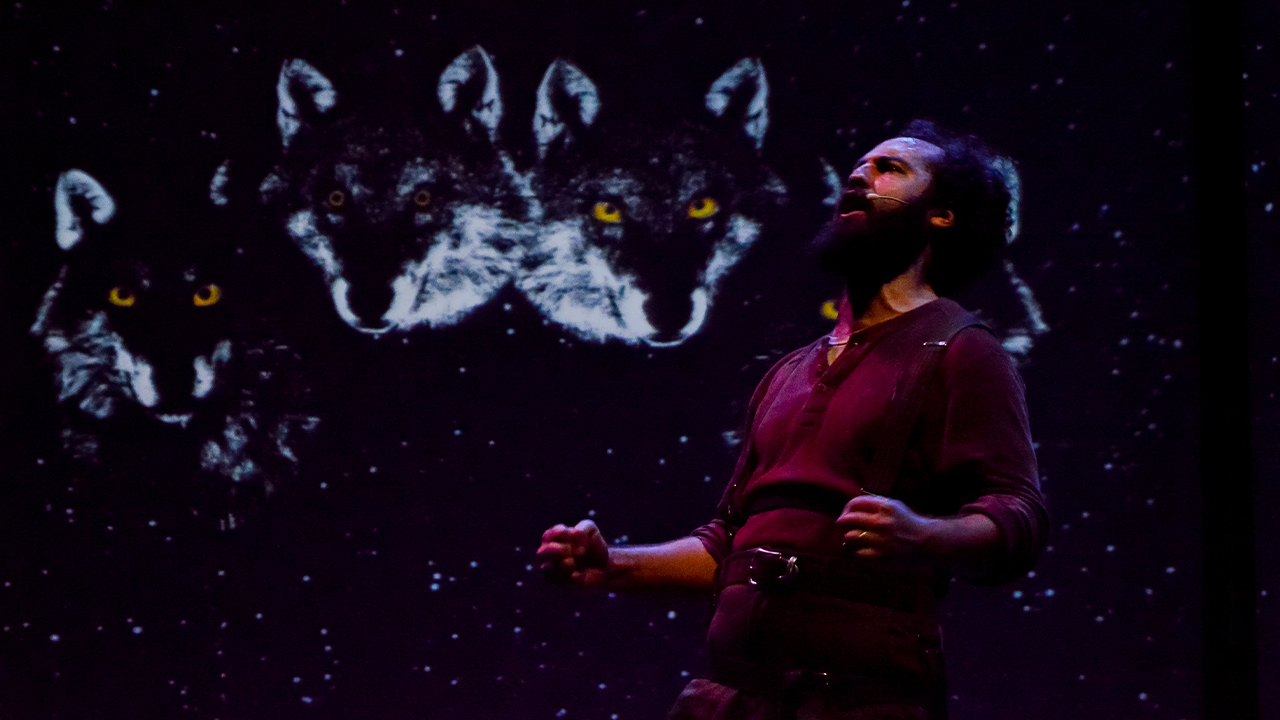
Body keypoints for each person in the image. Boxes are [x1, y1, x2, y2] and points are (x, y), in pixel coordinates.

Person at [536, 120, 1049, 720]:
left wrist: (924, 535)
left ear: (942, 215)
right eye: (859, 166)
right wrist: (615, 565)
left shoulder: (961, 349)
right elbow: (728, 540)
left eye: (890, 169)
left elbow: (1018, 516)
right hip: (730, 699)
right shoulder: (787, 371)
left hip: (860, 702)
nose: (861, 175)